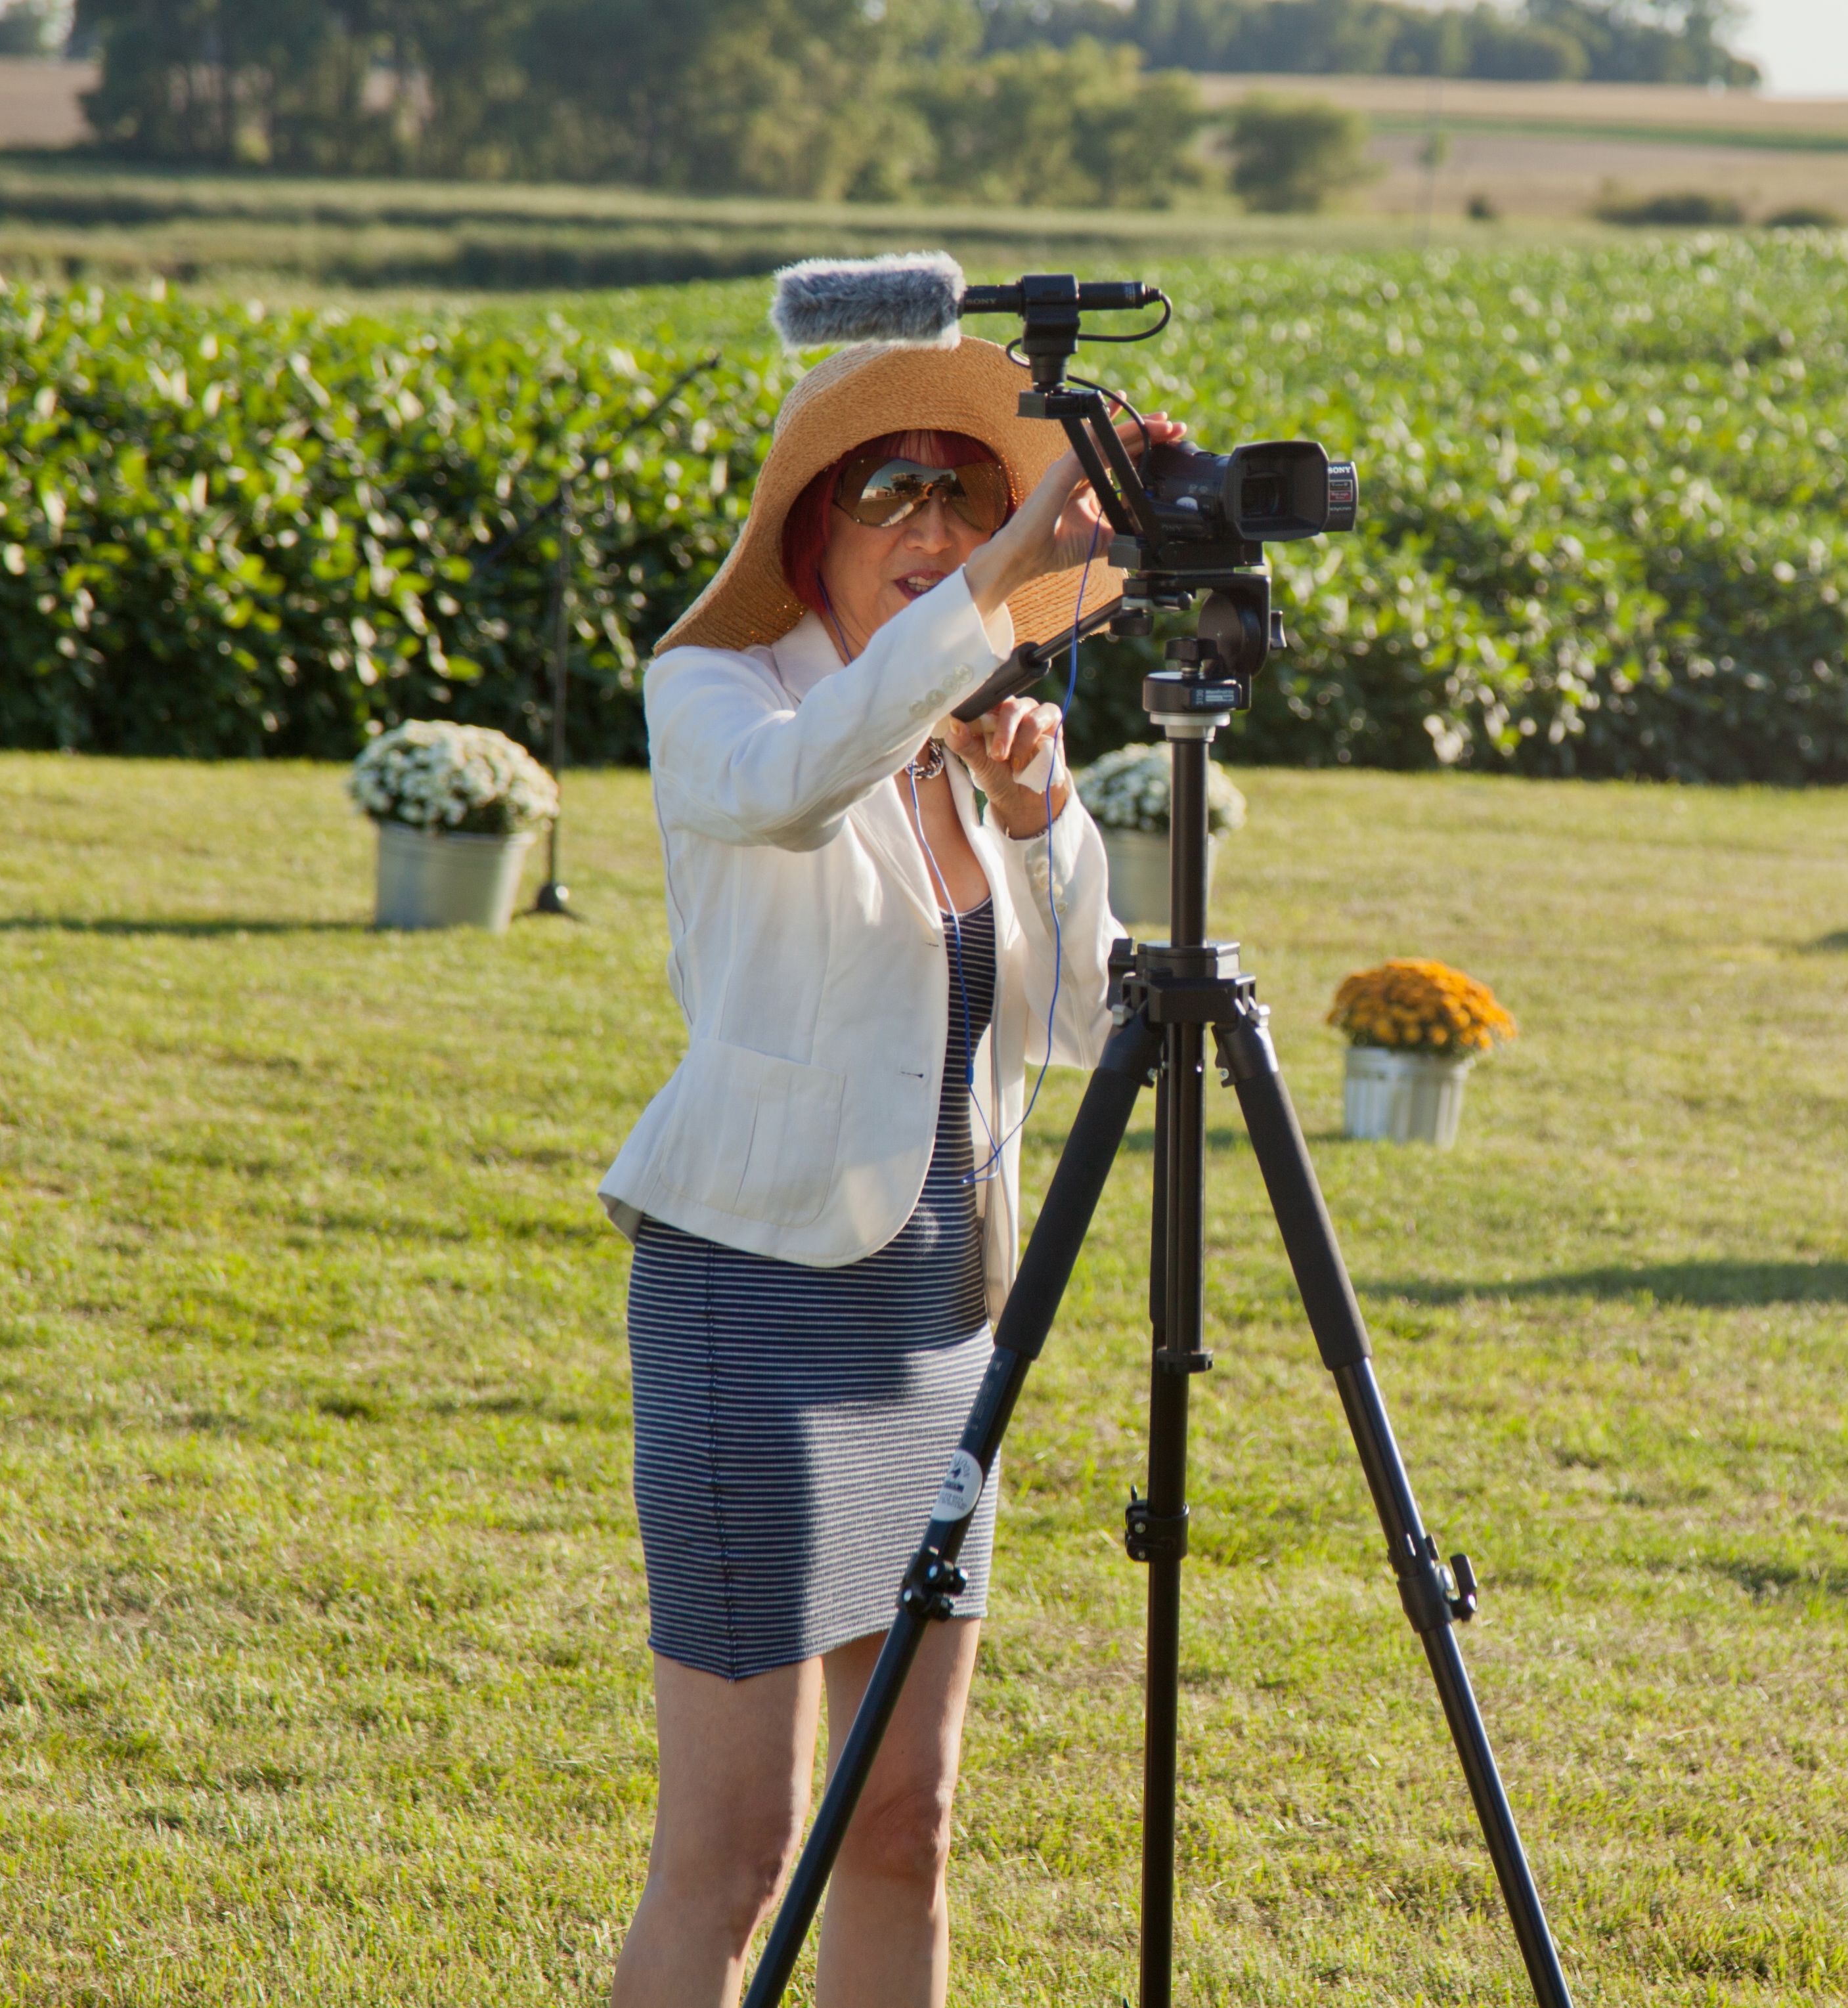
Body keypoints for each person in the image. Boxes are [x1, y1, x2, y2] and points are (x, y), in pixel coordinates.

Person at [597, 335, 1183, 2008]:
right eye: (891, 489)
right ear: (813, 531)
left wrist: (1047, 818)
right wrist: (1004, 577)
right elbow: (797, 786)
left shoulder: (964, 742)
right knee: (736, 1852)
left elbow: (1080, 1014)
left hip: (942, 1328)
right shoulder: (723, 697)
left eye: (969, 491)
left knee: (910, 1823)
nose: (932, 515)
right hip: (754, 1311)